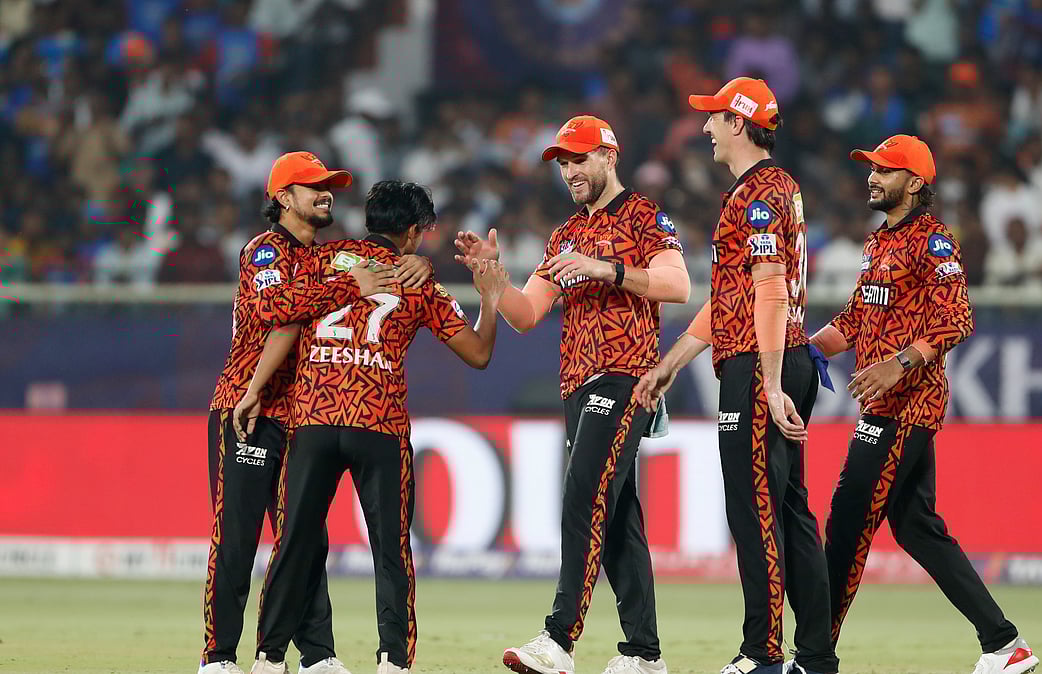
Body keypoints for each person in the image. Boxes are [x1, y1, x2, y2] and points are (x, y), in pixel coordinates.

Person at [233, 180, 507, 674]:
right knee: (391, 548)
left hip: (313, 418)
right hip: (379, 423)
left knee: (294, 541)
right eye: (420, 234)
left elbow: (284, 317)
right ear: (410, 232)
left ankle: (270, 657)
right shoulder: (420, 279)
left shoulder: (323, 257)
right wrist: (489, 299)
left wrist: (254, 386)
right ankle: (393, 661)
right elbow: (479, 354)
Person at [454, 115, 690, 674]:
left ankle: (559, 639)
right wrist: (493, 285)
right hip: (576, 386)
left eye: (579, 159)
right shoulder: (564, 234)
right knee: (617, 515)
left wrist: (605, 268)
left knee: (584, 493)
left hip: (623, 375)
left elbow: (679, 284)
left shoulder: (643, 215)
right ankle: (643, 653)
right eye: (563, 162)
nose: (569, 171)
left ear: (610, 156)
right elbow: (528, 313)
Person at [809, 134, 1038, 674]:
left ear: (915, 183)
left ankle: (814, 656)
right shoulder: (878, 243)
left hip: (908, 404)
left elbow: (956, 318)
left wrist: (898, 365)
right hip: (885, 407)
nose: (872, 177)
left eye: (885, 170)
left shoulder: (934, 242)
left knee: (847, 520)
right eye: (871, 168)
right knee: (915, 526)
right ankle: (1005, 645)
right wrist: (795, 349)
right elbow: (854, 321)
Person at [634, 77, 839, 674]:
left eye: (716, 117)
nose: (705, 128)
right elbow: (734, 294)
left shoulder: (755, 197)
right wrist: (672, 363)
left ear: (740, 124)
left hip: (760, 364)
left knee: (754, 510)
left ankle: (762, 654)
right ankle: (817, 657)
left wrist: (770, 384)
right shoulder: (782, 189)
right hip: (786, 355)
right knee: (791, 509)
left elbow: (769, 289)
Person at [202, 151, 422, 674]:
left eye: (330, 185)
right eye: (313, 186)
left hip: (302, 413)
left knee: (304, 538)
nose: (327, 193)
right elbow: (277, 310)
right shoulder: (263, 252)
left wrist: (418, 261)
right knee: (237, 536)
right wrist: (355, 284)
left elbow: (386, 263)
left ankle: (317, 656)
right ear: (282, 198)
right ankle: (219, 658)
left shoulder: (326, 257)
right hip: (245, 408)